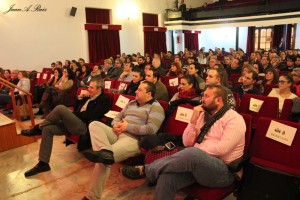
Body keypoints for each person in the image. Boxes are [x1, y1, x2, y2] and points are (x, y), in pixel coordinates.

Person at [120, 85, 246, 200]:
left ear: (218, 100)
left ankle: (147, 170)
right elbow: (187, 142)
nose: (202, 99)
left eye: (207, 96)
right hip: (196, 164)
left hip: (223, 171)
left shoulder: (235, 119)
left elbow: (222, 149)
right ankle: (151, 171)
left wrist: (195, 150)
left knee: (193, 153)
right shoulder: (202, 115)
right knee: (166, 178)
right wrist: (193, 120)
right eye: (202, 96)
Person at [82, 80, 165, 200]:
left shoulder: (156, 107)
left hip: (133, 139)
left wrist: (128, 127)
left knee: (104, 161)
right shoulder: (131, 103)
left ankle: (91, 197)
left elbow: (151, 129)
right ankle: (104, 150)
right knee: (94, 124)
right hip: (117, 132)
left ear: (149, 94)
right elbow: (118, 117)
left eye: (140, 90)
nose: (136, 91)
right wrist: (115, 125)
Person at [21, 78, 110, 176]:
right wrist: (80, 97)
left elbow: (91, 115)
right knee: (47, 129)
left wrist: (72, 115)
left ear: (99, 89)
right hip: (74, 122)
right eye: (89, 86)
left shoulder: (104, 99)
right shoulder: (88, 96)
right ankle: (43, 163)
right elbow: (76, 108)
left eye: (92, 88)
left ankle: (37, 128)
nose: (89, 89)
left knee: (60, 108)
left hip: (84, 126)